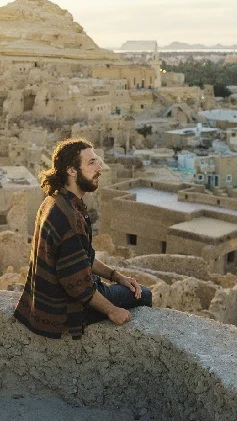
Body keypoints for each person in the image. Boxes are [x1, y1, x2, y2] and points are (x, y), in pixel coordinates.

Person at [14, 138, 152, 339]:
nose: (100, 167)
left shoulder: (54, 201)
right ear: (71, 170)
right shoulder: (69, 217)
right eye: (92, 163)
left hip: (44, 302)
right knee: (144, 294)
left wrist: (117, 276)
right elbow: (78, 285)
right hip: (64, 310)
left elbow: (82, 257)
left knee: (126, 288)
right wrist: (112, 311)